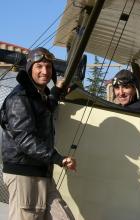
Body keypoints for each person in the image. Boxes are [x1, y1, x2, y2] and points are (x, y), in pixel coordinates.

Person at [0, 47, 76, 220]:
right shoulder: (19, 98)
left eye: (48, 67)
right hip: (24, 173)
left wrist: (56, 92)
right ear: (29, 69)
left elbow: (44, 110)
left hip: (41, 171)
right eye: (39, 66)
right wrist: (58, 158)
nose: (45, 71)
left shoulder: (37, 96)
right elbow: (24, 138)